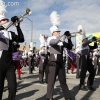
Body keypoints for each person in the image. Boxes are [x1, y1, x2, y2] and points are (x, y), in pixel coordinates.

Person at [0, 1, 24, 99]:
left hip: (10, 63)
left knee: (13, 87)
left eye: (6, 19)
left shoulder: (10, 33)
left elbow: (21, 39)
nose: (6, 21)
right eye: (3, 20)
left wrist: (18, 26)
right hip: (0, 62)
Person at [47, 25, 73, 99]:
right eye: (57, 31)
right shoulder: (50, 39)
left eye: (59, 31)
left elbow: (70, 47)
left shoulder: (61, 41)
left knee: (63, 81)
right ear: (53, 32)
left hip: (61, 63)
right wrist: (63, 36)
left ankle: (68, 97)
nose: (59, 32)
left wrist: (69, 38)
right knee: (51, 81)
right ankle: (49, 97)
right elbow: (54, 42)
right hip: (53, 62)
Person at [78, 25, 98, 91]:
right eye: (86, 39)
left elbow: (94, 47)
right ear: (83, 40)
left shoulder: (88, 46)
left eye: (87, 39)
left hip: (88, 60)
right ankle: (81, 85)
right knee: (83, 73)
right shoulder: (82, 45)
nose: (87, 39)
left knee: (92, 72)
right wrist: (91, 40)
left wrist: (95, 41)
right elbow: (85, 44)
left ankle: (89, 85)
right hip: (83, 59)